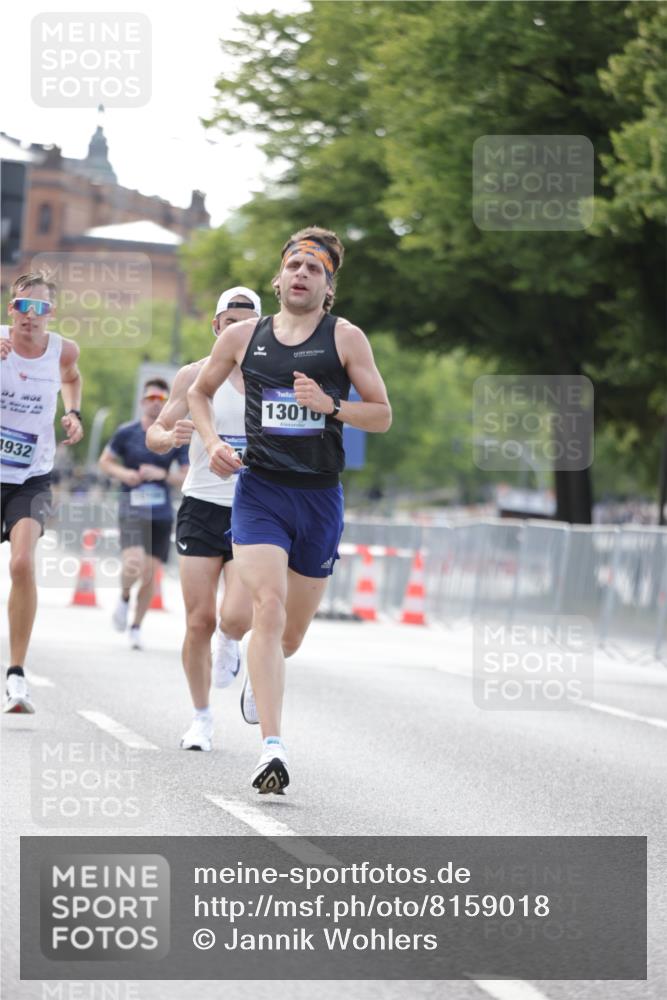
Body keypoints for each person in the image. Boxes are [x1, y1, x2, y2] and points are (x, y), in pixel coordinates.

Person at [188, 226, 392, 793]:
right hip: (261, 489)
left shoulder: (346, 339)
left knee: (288, 635)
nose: (302, 274)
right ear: (278, 278)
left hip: (319, 497)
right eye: (294, 265)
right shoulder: (243, 338)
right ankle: (271, 750)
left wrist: (332, 406)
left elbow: (382, 415)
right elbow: (199, 395)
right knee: (266, 606)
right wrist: (211, 443)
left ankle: (262, 665)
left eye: (315, 269)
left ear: (328, 288)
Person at [146, 287, 261, 751]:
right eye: (228, 321)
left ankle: (233, 642)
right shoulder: (194, 376)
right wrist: (168, 435)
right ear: (215, 326)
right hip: (199, 504)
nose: (236, 329)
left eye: (246, 322)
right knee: (198, 621)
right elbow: (155, 433)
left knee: (235, 615)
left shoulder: (269, 378)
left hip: (252, 508)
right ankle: (201, 718)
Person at [1, 271, 83, 713]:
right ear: (10, 308)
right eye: (22, 306)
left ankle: (16, 674)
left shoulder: (62, 350)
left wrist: (73, 413)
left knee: (21, 562)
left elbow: (72, 377)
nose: (30, 316)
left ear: (51, 314)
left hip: (31, 476)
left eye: (40, 308)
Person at [98, 379, 189, 650]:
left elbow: (185, 476)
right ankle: (125, 596)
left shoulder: (173, 435)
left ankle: (136, 626)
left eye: (161, 399)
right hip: (131, 504)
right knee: (133, 562)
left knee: (150, 573)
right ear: (143, 401)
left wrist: (162, 474)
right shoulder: (127, 432)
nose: (155, 403)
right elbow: (105, 462)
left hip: (160, 510)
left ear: (166, 403)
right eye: (151, 398)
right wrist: (125, 473)